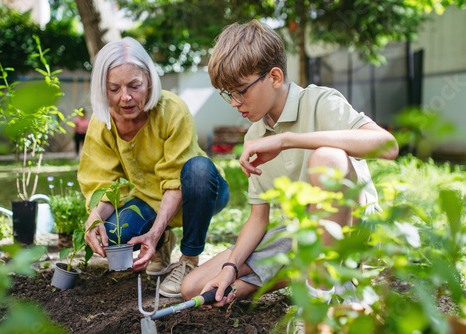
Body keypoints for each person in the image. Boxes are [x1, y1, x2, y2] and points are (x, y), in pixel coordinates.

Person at [181, 20, 399, 307]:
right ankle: (304, 273)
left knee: (327, 158)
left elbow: (387, 145)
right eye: (228, 94)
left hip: (353, 227)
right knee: (194, 287)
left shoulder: (321, 101)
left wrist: (287, 140)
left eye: (240, 91)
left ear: (274, 76)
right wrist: (231, 268)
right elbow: (259, 218)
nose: (234, 102)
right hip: (298, 235)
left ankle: (318, 302)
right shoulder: (255, 135)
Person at [78, 37, 229, 297]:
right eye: (114, 88)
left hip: (196, 192)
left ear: (149, 80)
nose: (125, 97)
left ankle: (188, 260)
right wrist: (94, 219)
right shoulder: (102, 123)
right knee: (111, 236)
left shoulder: (172, 110)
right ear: (102, 89)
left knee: (198, 169)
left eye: (134, 86)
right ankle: (160, 241)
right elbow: (103, 182)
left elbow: (176, 181)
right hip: (146, 199)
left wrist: (154, 230)